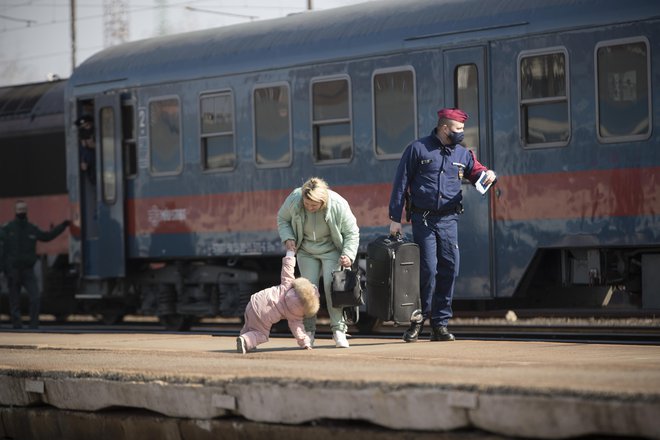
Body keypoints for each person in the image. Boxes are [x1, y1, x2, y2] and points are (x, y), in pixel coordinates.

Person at [388, 108, 496, 343]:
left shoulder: (462, 153)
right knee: (428, 270)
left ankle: (440, 325)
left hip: (449, 220)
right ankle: (418, 321)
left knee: (450, 269)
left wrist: (488, 176)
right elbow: (400, 183)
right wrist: (394, 219)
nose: (461, 133)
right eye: (458, 129)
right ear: (444, 128)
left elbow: (476, 172)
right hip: (423, 219)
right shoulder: (418, 149)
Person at [277, 177, 360, 348]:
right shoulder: (295, 199)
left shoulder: (338, 204)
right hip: (306, 250)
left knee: (332, 288)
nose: (309, 208)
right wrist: (288, 238)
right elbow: (282, 218)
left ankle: (339, 331)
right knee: (307, 291)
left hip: (332, 251)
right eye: (307, 204)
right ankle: (309, 332)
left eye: (314, 205)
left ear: (323, 201)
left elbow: (352, 232)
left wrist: (348, 255)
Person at [1, 200, 71, 329]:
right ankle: (17, 325)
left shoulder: (31, 228)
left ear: (26, 211)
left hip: (28, 270)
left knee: (35, 297)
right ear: (15, 211)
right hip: (13, 270)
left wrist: (62, 226)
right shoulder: (7, 228)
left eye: (23, 209)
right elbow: (2, 249)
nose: (21, 212)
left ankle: (33, 324)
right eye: (19, 209)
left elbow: (47, 236)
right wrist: (4, 268)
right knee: (14, 300)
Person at [237, 251, 320, 353]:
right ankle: (245, 340)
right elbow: (298, 330)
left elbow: (288, 267)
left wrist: (290, 253)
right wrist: (305, 343)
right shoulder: (296, 315)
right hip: (264, 314)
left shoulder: (288, 285)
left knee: (250, 324)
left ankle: (245, 340)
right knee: (261, 334)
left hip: (254, 300)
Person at [75, 114, 96, 185]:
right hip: (89, 168)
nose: (86, 129)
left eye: (87, 125)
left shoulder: (96, 134)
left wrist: (95, 146)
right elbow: (82, 152)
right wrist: (83, 161)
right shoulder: (82, 139)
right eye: (83, 127)